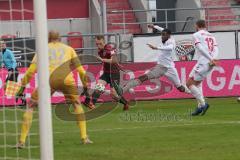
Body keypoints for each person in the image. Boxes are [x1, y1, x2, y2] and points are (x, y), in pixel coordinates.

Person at [15, 30, 92, 148]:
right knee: (77, 105)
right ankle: (84, 137)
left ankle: (21, 141)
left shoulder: (42, 49)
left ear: (48, 38)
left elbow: (30, 71)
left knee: (30, 105)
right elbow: (80, 69)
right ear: (60, 38)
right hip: (67, 80)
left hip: (49, 81)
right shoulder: (69, 49)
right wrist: (85, 84)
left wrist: (22, 86)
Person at [115, 25, 190, 97]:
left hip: (168, 68)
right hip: (160, 67)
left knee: (180, 88)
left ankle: (192, 93)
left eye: (164, 35)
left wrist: (156, 47)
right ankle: (123, 90)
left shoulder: (171, 41)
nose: (162, 36)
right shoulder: (166, 36)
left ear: (169, 36)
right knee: (143, 77)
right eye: (162, 35)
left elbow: (170, 48)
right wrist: (154, 26)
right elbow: (162, 29)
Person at [83, 35, 129, 111]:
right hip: (106, 73)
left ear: (104, 42)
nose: (98, 45)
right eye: (97, 44)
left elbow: (113, 60)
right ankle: (92, 104)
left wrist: (103, 60)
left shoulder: (110, 48)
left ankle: (125, 103)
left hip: (114, 74)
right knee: (99, 87)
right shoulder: (99, 50)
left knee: (113, 94)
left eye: (100, 43)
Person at [186, 20, 219, 116]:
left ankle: (203, 104)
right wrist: (214, 59)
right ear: (205, 25)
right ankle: (200, 107)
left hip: (204, 62)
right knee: (198, 84)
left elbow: (200, 48)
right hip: (209, 62)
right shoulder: (212, 36)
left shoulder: (196, 34)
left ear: (196, 25)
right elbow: (216, 48)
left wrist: (210, 58)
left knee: (189, 84)